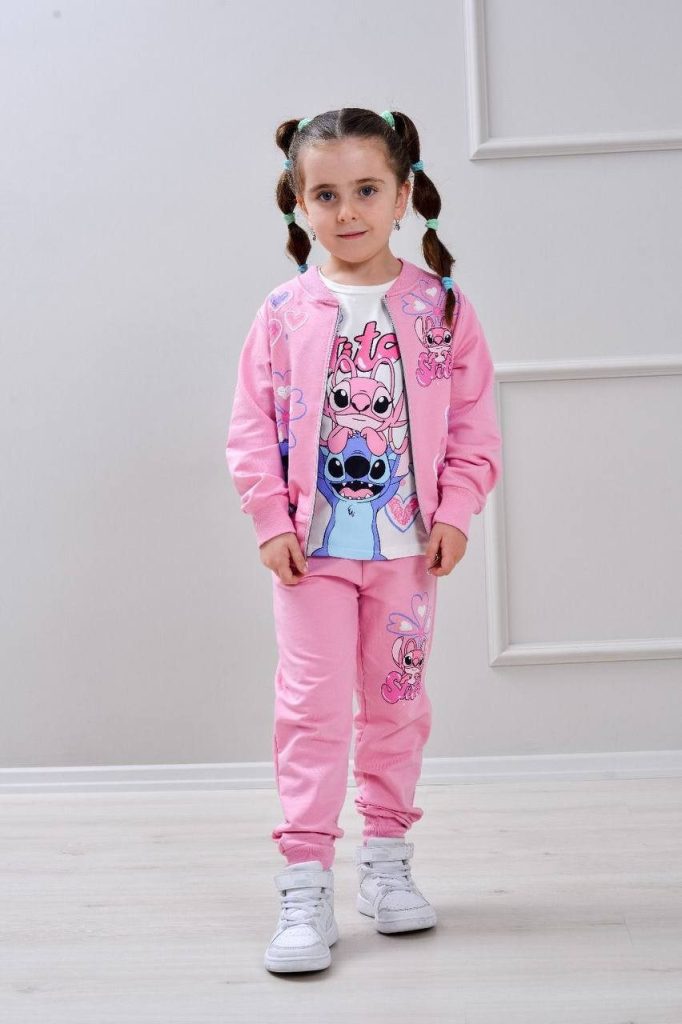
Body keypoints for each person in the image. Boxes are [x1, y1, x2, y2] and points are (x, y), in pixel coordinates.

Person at [225, 107, 502, 974]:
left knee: (396, 706)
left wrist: (455, 511)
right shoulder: (283, 313)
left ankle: (386, 864)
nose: (347, 211)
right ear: (298, 203)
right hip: (310, 556)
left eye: (368, 189)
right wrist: (271, 522)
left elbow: (474, 423)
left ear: (404, 194)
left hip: (408, 553)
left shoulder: (440, 308)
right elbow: (250, 427)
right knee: (309, 711)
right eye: (326, 194)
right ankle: (305, 882)